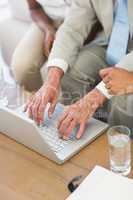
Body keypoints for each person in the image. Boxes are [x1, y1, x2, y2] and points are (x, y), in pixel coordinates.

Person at [25, 0, 133, 140]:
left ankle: (119, 149)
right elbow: (72, 27)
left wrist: (92, 100)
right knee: (72, 70)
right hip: (112, 44)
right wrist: (52, 79)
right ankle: (74, 133)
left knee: (123, 100)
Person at [11, 0, 72, 91]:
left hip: (82, 21)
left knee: (72, 71)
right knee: (22, 68)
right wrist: (48, 30)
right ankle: (40, 103)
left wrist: (65, 39)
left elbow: (93, 13)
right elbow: (34, 8)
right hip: (48, 18)